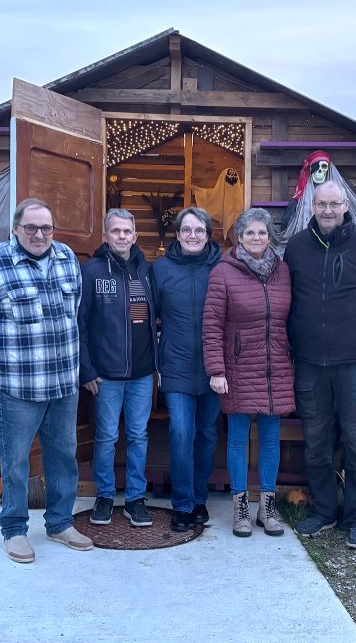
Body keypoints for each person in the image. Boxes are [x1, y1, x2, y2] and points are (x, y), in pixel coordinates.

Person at [0, 197, 93, 563]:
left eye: (46, 227)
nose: (39, 234)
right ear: (16, 229)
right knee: (15, 461)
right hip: (20, 387)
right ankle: (14, 530)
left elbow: (74, 314)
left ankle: (60, 523)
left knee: (63, 456)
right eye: (30, 227)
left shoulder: (66, 260)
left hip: (63, 384)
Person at [283, 181, 356, 550]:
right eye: (321, 204)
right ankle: (324, 511)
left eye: (334, 204)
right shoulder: (298, 248)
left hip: (355, 364)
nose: (328, 210)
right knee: (316, 441)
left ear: (345, 205)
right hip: (310, 363)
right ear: (312, 207)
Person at [203, 207, 293, 538]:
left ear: (270, 238)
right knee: (238, 438)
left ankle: (266, 507)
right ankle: (240, 506)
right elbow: (211, 324)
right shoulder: (223, 272)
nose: (257, 238)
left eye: (262, 233)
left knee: (271, 438)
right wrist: (216, 369)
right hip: (238, 368)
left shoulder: (283, 271)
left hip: (275, 368)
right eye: (250, 233)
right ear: (239, 237)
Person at [78, 208, 156, 528]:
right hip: (106, 375)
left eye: (127, 231)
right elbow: (80, 324)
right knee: (107, 437)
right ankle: (106, 496)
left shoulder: (147, 271)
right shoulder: (93, 272)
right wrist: (87, 369)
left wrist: (158, 365)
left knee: (139, 436)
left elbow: (157, 320)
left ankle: (136, 498)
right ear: (106, 236)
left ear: (135, 236)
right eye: (116, 231)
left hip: (142, 373)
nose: (122, 236)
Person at [151, 207, 222, 532]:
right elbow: (147, 316)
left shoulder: (222, 267)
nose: (193, 235)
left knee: (207, 434)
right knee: (181, 432)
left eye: (199, 230)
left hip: (214, 366)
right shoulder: (161, 269)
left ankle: (198, 499)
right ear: (177, 234)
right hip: (176, 365)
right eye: (187, 230)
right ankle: (181, 504)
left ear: (208, 234)